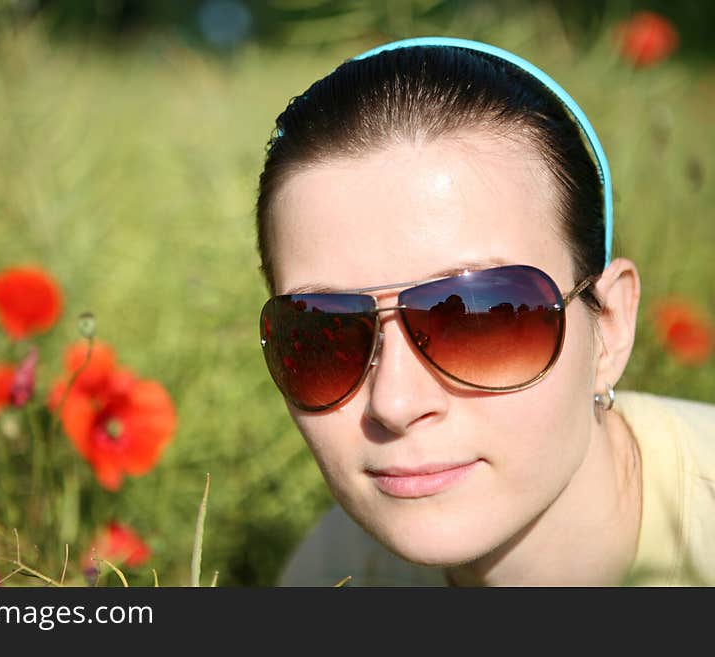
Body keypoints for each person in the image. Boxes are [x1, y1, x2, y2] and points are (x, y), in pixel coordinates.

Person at [254, 37, 715, 586]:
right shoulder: (334, 575)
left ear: (609, 327)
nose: (395, 404)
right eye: (323, 331)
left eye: (483, 317)